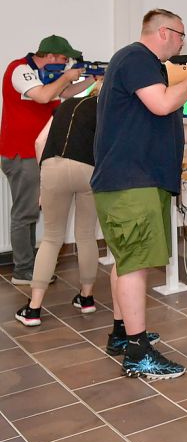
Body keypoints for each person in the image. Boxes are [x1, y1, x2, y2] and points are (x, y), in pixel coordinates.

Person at [91, 8, 187, 380]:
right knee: (134, 264)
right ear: (163, 33)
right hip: (132, 184)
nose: (182, 43)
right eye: (180, 36)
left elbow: (167, 123)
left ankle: (121, 335)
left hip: (136, 181)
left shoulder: (145, 67)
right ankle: (139, 352)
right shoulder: (136, 59)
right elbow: (163, 104)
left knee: (127, 261)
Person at [2, 35, 94, 285]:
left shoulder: (48, 77)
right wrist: (67, 76)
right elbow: (43, 96)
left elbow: (65, 94)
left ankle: (29, 265)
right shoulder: (19, 69)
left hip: (40, 153)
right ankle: (23, 269)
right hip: (22, 153)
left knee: (30, 211)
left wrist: (90, 79)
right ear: (51, 56)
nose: (65, 64)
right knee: (25, 213)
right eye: (64, 59)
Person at [15, 82, 102, 327]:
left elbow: (39, 142)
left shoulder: (66, 106)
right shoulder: (109, 110)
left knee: (52, 238)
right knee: (86, 235)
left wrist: (45, 183)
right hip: (90, 171)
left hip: (54, 165)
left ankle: (33, 309)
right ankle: (86, 298)